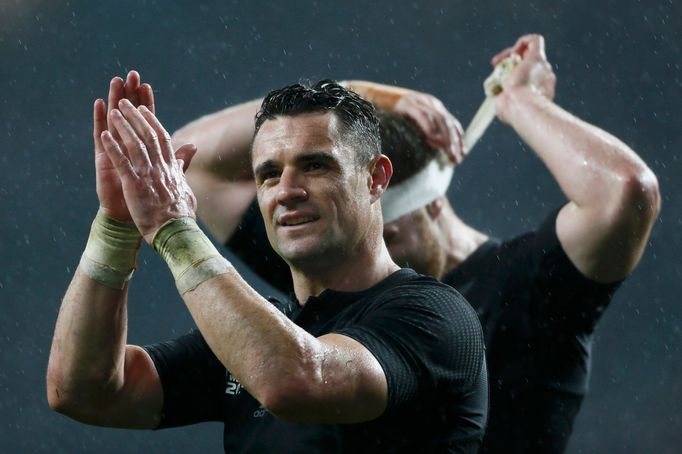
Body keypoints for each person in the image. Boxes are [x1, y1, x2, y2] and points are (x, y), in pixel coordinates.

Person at [173, 34, 661, 453]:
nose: (370, 248)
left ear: (424, 202)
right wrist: (359, 98)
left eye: (385, 229)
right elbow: (190, 164)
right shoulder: (329, 262)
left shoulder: (528, 286)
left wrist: (521, 101)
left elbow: (626, 192)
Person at [46, 74, 488, 453]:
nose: (286, 190)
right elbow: (83, 391)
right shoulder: (264, 332)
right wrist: (117, 227)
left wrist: (173, 228)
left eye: (315, 166)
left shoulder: (436, 315)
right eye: (269, 174)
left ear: (375, 179)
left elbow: (295, 381)